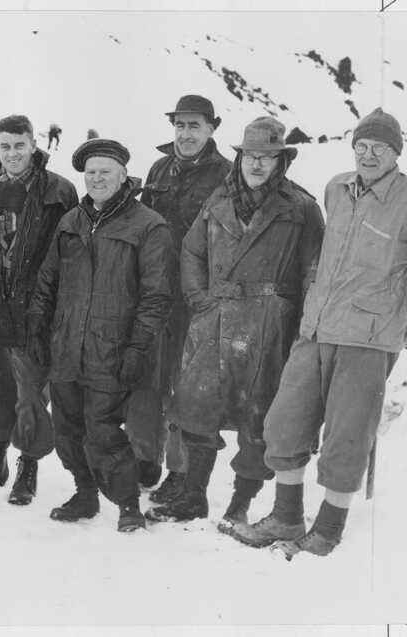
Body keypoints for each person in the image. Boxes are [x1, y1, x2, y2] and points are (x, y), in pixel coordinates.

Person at [228, 108, 407, 557]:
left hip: (367, 341)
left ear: (396, 152)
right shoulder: (337, 188)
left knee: (347, 435)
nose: (368, 154)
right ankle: (286, 515)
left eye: (379, 148)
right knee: (284, 423)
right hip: (316, 330)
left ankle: (329, 528)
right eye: (361, 146)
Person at [146, 116, 324, 528]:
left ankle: (240, 503)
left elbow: (313, 271)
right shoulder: (219, 201)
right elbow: (191, 252)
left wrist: (298, 323)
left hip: (268, 327)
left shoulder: (301, 208)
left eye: (267, 158)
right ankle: (193, 497)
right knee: (195, 407)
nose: (257, 165)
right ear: (239, 158)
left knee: (257, 417)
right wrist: (197, 298)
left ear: (281, 162)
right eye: (250, 157)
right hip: (214, 321)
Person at [26, 138, 176, 532]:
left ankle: (128, 504)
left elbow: (156, 296)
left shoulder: (148, 225)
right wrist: (38, 330)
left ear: (123, 176)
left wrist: (138, 348)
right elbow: (47, 281)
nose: (96, 179)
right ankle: (84, 493)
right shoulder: (70, 222)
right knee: (68, 428)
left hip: (112, 348)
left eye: (104, 172)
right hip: (66, 346)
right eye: (90, 173)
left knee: (104, 430)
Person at [0, 115, 77, 505]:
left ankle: (29, 464)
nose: (12, 154)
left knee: (30, 390)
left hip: (35, 306)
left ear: (33, 145)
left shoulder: (59, 191)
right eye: (4, 146)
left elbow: (69, 254)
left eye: (19, 145)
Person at [139, 94, 232, 505]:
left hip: (197, 297)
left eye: (195, 125)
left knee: (186, 386)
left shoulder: (227, 176)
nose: (186, 133)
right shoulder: (158, 168)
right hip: (155, 293)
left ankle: (180, 472)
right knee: (150, 379)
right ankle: (146, 459)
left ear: (212, 128)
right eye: (180, 125)